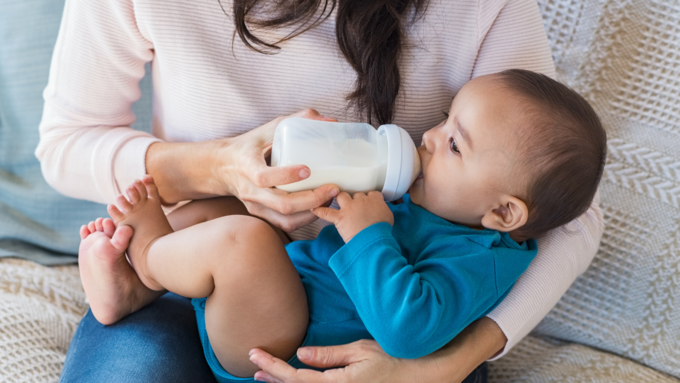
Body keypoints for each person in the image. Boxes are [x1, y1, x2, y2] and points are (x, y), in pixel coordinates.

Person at [38, 0, 604, 381]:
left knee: (239, 239)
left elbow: (563, 212)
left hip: (345, 340)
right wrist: (216, 166)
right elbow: (66, 142)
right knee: (221, 214)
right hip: (228, 289)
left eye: (453, 140)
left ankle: (146, 260)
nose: (427, 137)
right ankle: (141, 276)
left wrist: (444, 365)